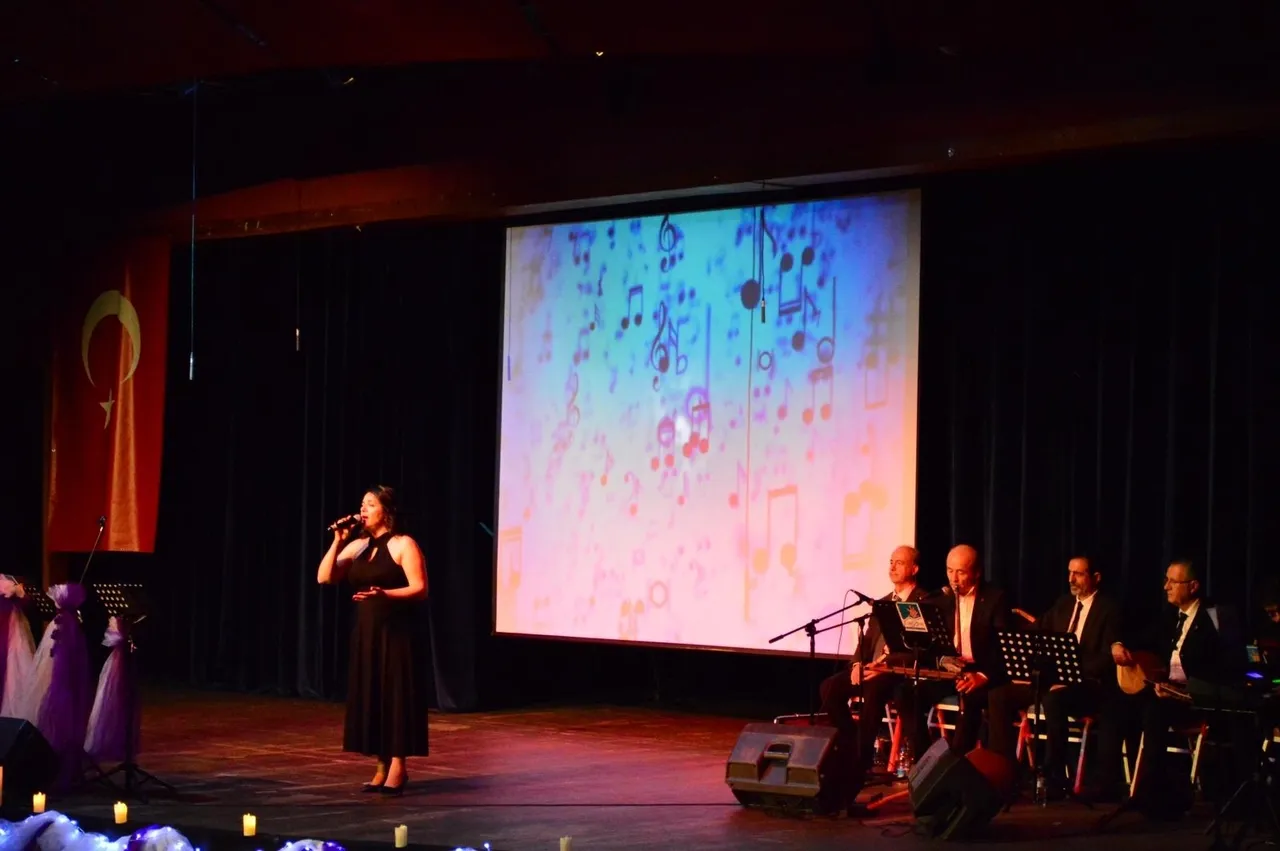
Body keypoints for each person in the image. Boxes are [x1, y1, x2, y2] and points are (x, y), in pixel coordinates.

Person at [1101, 559, 1245, 814]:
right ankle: (1106, 783)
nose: (1166, 586)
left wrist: (1187, 689)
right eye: (1166, 580)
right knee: (1116, 704)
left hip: (1199, 698)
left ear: (1193, 586)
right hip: (1169, 693)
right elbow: (1142, 638)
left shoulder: (1216, 618)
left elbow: (1229, 667)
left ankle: (1153, 792)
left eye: (1173, 582)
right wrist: (1118, 644)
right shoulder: (1170, 617)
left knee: (1154, 711)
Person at [316, 485, 429, 795]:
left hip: (397, 633)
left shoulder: (403, 544)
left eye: (370, 504)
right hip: (367, 633)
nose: (362, 510)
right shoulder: (359, 546)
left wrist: (385, 594)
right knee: (373, 695)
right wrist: (338, 541)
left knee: (395, 696)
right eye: (362, 504)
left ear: (386, 511)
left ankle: (398, 767)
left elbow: (420, 588)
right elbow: (324, 577)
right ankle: (380, 765)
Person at [817, 546, 925, 801]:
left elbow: (917, 649)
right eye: (891, 561)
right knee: (829, 688)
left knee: (875, 691)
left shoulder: (922, 602)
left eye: (899, 562)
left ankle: (861, 761)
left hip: (896, 672)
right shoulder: (883, 603)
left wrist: (883, 666)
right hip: (870, 668)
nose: (892, 567)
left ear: (914, 569)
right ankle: (849, 742)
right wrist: (857, 664)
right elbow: (865, 643)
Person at [896, 544, 1014, 759]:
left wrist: (982, 675)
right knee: (906, 693)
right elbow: (933, 645)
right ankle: (926, 760)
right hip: (950, 669)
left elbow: (1004, 650)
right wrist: (940, 658)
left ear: (976, 573)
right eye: (950, 571)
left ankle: (957, 762)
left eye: (961, 572)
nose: (954, 578)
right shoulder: (941, 598)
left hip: (979, 672)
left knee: (970, 701)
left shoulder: (995, 599)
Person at [1015, 556, 1120, 798]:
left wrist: (1070, 677)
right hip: (1056, 682)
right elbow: (1038, 630)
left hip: (1089, 686)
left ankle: (1053, 776)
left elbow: (1106, 659)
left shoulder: (1109, 609)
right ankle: (1005, 774)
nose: (1071, 579)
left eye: (1079, 574)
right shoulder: (1063, 604)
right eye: (1070, 573)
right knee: (1001, 693)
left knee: (1053, 699)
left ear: (1096, 577)